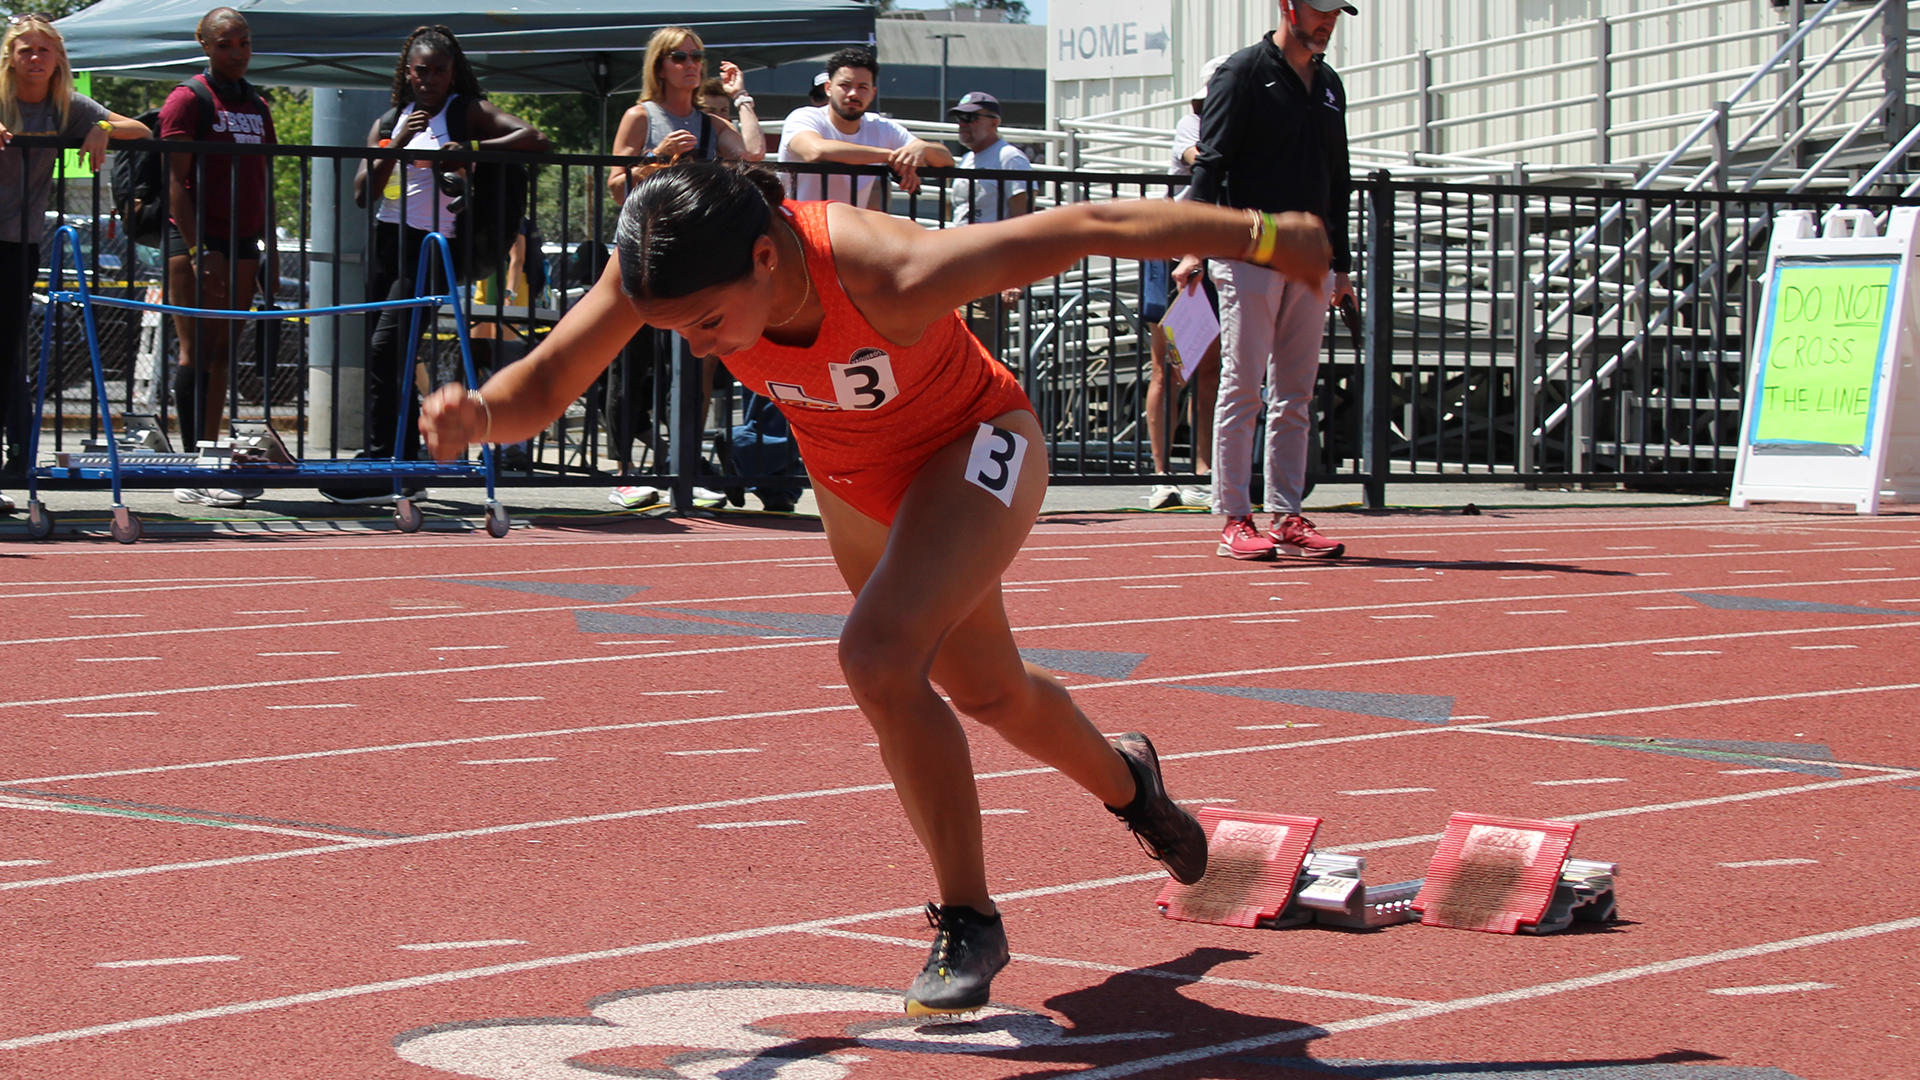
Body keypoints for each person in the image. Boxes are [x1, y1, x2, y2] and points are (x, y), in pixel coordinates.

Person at [417, 161, 1330, 1014]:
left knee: (880, 659)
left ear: (767, 258)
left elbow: (1088, 222)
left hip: (976, 448)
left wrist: (1258, 236)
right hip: (856, 481)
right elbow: (546, 382)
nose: (699, 352)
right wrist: (483, 414)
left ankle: (970, 922)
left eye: (705, 326)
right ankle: (1134, 787)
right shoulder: (661, 264)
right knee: (991, 691)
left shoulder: (885, 271)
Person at [318, 24, 548, 504]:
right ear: (408, 71)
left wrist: (474, 150)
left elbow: (535, 138)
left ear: (452, 73)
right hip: (386, 242)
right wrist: (399, 140)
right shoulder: (389, 122)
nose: (430, 80)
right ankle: (392, 459)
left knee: (387, 349)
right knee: (386, 352)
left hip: (431, 246)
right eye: (422, 71)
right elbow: (364, 192)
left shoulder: (464, 111)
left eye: (440, 72)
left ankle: (388, 466)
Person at [1178, 0, 1355, 560]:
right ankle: (1234, 515)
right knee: (1242, 386)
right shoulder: (1243, 71)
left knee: (1296, 394)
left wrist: (1341, 266)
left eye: (1336, 13)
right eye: (1319, 10)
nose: (1328, 22)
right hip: (1248, 250)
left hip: (1310, 262)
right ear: (1288, 8)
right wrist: (1194, 246)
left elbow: (1339, 178)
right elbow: (1211, 162)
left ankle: (1286, 513)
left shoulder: (1329, 84)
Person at [605, 26, 761, 509]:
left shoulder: (712, 124)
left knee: (690, 367)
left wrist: (742, 99)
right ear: (661, 65)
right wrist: (657, 158)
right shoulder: (640, 116)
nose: (692, 63)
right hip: (639, 257)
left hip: (693, 263)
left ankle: (684, 470)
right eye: (680, 56)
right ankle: (626, 474)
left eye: (697, 56)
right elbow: (615, 184)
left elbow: (754, 156)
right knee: (630, 364)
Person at [0, 13, 148, 510]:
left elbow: (140, 130)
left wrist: (103, 125)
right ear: (11, 57)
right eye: (25, 50)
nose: (35, 58)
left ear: (58, 58)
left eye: (44, 50)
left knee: (9, 354)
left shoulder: (68, 105)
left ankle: (17, 461)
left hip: (19, 243)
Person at [161, 7, 275, 506]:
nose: (237, 53)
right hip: (195, 240)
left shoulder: (258, 104)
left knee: (224, 354)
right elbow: (173, 184)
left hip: (244, 242)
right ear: (205, 45)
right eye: (226, 44)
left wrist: (264, 244)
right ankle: (193, 466)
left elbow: (264, 177)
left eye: (244, 43)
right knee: (196, 352)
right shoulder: (188, 99)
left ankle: (211, 455)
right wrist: (198, 248)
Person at [1145, 58, 1227, 511]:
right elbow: (1204, 162)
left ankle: (1202, 472)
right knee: (1166, 371)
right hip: (1171, 256)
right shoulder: (1190, 124)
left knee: (1207, 373)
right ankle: (1161, 474)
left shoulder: (1238, 128)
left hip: (1213, 260)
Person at [777, 46, 951, 209]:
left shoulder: (881, 127)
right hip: (795, 230)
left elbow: (946, 161)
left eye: (862, 87)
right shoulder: (804, 117)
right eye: (845, 85)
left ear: (872, 93)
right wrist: (891, 157)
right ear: (828, 88)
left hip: (846, 232)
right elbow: (816, 150)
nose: (853, 93)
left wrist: (922, 147)